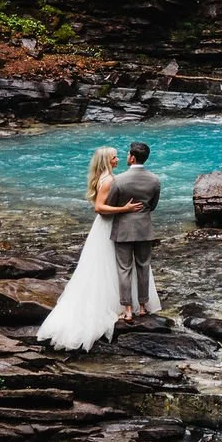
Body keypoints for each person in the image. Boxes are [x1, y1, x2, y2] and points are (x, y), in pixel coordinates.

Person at [35, 146, 145, 353]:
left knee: (108, 265)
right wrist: (126, 209)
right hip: (108, 226)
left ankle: (119, 302)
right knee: (109, 265)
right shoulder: (109, 180)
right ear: (107, 161)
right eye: (114, 157)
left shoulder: (106, 177)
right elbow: (100, 208)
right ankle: (113, 305)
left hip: (106, 226)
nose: (118, 159)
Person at [105, 141, 162, 321]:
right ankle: (143, 306)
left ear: (132, 157)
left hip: (123, 230)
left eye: (128, 155)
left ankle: (128, 309)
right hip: (144, 229)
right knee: (143, 267)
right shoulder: (154, 180)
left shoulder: (119, 180)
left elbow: (110, 204)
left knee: (124, 269)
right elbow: (152, 206)